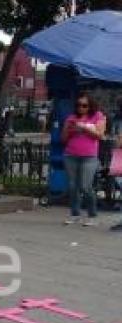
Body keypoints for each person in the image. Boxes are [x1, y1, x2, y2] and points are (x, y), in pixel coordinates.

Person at [62, 93, 105, 226]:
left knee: (86, 186)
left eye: (84, 105)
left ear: (90, 106)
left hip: (89, 156)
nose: (81, 108)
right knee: (72, 186)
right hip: (71, 155)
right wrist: (70, 129)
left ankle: (92, 215)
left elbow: (100, 135)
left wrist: (85, 128)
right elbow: (63, 138)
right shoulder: (71, 118)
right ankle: (75, 214)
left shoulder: (98, 116)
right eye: (78, 105)